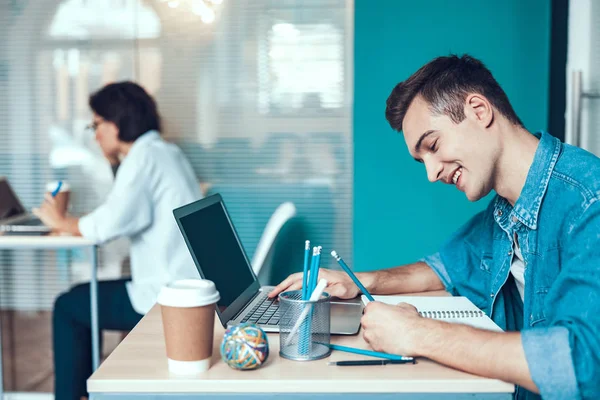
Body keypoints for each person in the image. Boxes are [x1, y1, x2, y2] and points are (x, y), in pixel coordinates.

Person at [269, 55, 600, 400]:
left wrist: (419, 334)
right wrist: (359, 281)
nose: (431, 173)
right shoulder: (506, 207)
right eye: (422, 159)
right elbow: (446, 267)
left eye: (433, 145)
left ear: (478, 110)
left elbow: (582, 365)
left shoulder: (589, 201)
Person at [33, 81, 201, 400]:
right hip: (184, 283)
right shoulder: (164, 151)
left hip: (167, 296)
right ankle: (84, 392)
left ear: (117, 122)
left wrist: (60, 221)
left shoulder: (144, 157)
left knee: (68, 307)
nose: (95, 134)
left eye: (96, 124)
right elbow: (122, 214)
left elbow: (108, 224)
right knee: (80, 299)